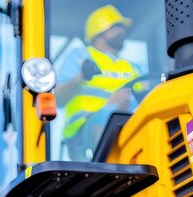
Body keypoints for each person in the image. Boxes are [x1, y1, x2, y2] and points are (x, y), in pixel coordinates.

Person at [56, 4, 140, 159]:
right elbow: (57, 98)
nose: (122, 31)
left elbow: (146, 94)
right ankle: (108, 172)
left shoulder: (132, 67)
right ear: (99, 30)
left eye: (122, 27)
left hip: (126, 121)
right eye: (116, 26)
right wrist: (79, 78)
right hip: (84, 128)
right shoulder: (80, 56)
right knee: (109, 118)